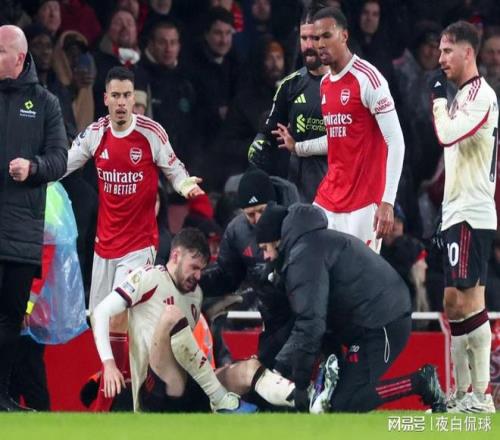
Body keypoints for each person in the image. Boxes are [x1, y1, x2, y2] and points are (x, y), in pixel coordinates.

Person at [64, 65, 203, 411]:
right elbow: (63, 164)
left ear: (133, 98)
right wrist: (37, 173)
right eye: (116, 96)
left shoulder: (150, 133)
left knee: (118, 315)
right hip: (104, 246)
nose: (122, 102)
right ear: (105, 98)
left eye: (128, 95)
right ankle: (118, 385)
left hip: (139, 245)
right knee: (99, 319)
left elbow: (174, 168)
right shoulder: (95, 134)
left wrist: (184, 184)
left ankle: (120, 398)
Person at [255, 203, 447, 413]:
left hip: (384, 323)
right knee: (335, 401)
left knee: (344, 404)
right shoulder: (308, 245)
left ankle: (420, 382)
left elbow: (310, 322)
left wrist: (293, 380)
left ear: (278, 241)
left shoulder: (305, 256)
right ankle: (328, 380)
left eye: (265, 248)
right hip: (364, 322)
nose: (265, 257)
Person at [93, 228, 296, 413]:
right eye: (194, 267)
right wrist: (108, 364)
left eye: (202, 269)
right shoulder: (148, 277)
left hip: (187, 384)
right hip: (154, 390)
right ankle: (219, 398)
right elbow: (100, 312)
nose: (198, 275)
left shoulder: (195, 296)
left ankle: (303, 398)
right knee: (171, 315)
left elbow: (186, 347)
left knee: (248, 369)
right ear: (176, 256)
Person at [275, 7, 404, 253]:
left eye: (326, 36)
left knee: (356, 275)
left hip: (364, 203)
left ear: (344, 36)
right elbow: (338, 138)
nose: (319, 44)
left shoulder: (369, 79)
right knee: (308, 257)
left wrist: (387, 201)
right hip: (329, 196)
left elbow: (396, 141)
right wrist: (298, 148)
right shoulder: (325, 84)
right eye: (315, 38)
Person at [430, 20, 498, 413]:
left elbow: (447, 134)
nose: (440, 58)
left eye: (447, 50)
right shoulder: (463, 96)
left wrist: (438, 101)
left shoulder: (480, 96)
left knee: (470, 301)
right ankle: (462, 393)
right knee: (453, 302)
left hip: (472, 211)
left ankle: (481, 395)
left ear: (467, 52)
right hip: (456, 211)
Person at [0, 24, 67, 411]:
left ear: (19, 58)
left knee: (11, 320)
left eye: (1, 51)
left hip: (22, 234)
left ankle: (2, 395)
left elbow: (60, 159)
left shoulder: (45, 103)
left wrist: (33, 167)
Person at [200, 168, 299, 369]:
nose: (258, 219)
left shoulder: (294, 222)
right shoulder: (237, 231)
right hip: (267, 311)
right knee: (261, 367)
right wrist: (194, 280)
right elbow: (227, 276)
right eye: (250, 214)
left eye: (262, 211)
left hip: (298, 310)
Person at [248, 6, 329, 203]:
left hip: (342, 196)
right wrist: (260, 144)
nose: (308, 45)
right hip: (299, 198)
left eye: (314, 38)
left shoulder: (351, 85)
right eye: (304, 38)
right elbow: (269, 130)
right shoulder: (289, 85)